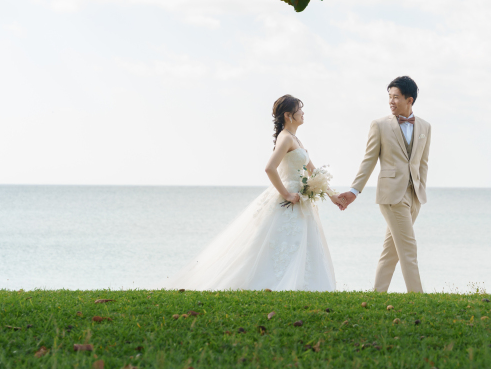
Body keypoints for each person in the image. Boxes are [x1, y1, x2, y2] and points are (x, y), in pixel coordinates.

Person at [165, 95, 343, 291]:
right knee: (280, 242)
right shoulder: (285, 138)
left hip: (301, 199)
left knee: (299, 242)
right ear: (288, 115)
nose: (303, 112)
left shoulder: (295, 139)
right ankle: (276, 283)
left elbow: (313, 171)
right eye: (299, 109)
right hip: (290, 198)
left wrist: (332, 195)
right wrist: (286, 194)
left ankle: (303, 284)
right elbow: (270, 168)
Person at [338, 76, 431, 293]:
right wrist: (354, 191)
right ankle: (417, 297)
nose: (391, 101)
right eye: (389, 97)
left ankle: (377, 294)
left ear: (410, 100)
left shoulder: (426, 127)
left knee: (391, 253)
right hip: (392, 196)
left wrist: (420, 190)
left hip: (414, 196)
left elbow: (423, 163)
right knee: (408, 249)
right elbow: (369, 159)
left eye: (395, 97)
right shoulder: (379, 125)